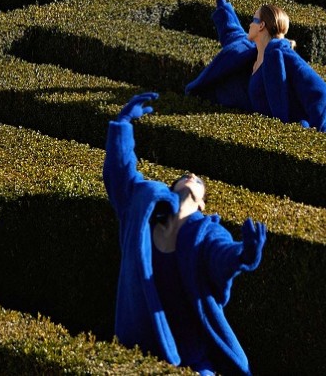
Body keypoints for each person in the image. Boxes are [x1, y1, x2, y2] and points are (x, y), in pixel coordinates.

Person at [104, 92, 267, 375]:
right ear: (172, 188)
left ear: (202, 203)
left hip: (191, 357)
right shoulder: (145, 209)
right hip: (141, 347)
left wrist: (243, 254)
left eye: (199, 181)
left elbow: (221, 255)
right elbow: (121, 176)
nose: (191, 175)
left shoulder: (206, 231)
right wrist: (123, 125)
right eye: (185, 176)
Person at [185, 0, 326, 134]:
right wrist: (222, 4)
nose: (249, 24)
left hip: (283, 137)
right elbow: (233, 33)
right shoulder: (251, 51)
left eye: (253, 20)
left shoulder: (282, 54)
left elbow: (322, 94)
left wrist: (317, 134)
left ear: (261, 26)